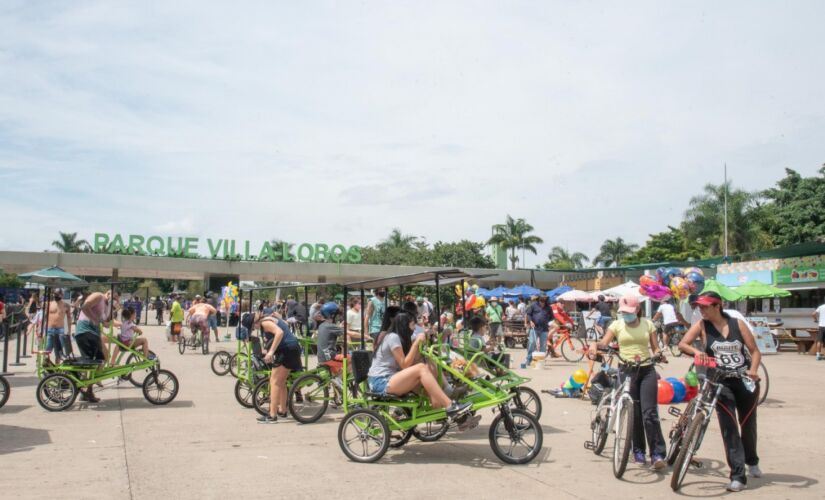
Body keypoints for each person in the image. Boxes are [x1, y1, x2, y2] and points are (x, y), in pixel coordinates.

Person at [678, 291, 762, 492]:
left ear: (718, 306)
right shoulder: (701, 326)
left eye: (706, 306)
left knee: (747, 424)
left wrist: (753, 370)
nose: (702, 310)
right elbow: (682, 344)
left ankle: (752, 460)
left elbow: (755, 351)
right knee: (729, 428)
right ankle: (738, 476)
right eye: (700, 307)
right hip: (718, 383)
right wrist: (698, 352)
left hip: (743, 380)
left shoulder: (736, 324)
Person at [588, 294, 668, 470]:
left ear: (637, 310)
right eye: (623, 312)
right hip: (626, 370)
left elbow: (655, 347)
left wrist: (658, 354)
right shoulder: (616, 325)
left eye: (629, 312)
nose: (626, 315)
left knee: (649, 413)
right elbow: (604, 342)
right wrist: (594, 346)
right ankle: (637, 450)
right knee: (634, 411)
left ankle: (657, 454)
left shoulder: (648, 324)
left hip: (647, 370)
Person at [367, 312, 472, 419]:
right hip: (380, 381)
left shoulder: (398, 338)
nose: (414, 328)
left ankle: (445, 413)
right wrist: (416, 343)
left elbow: (413, 360)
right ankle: (450, 406)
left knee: (426, 363)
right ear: (404, 326)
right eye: (412, 325)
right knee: (421, 368)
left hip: (389, 378)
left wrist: (424, 342)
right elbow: (404, 365)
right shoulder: (392, 337)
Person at [257, 311, 303, 423]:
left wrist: (271, 352)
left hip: (287, 350)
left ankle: (272, 415)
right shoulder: (271, 319)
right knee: (281, 382)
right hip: (292, 348)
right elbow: (285, 327)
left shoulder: (265, 323)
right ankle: (282, 410)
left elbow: (280, 332)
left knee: (274, 382)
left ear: (255, 322)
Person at [75, 290, 119, 402]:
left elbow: (106, 324)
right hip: (85, 331)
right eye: (113, 295)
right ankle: (86, 388)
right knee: (100, 359)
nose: (114, 298)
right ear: (108, 293)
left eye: (116, 298)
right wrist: (94, 319)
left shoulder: (106, 306)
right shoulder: (98, 296)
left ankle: (88, 390)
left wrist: (114, 310)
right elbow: (85, 306)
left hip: (92, 333)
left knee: (98, 361)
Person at [521, 294, 555, 368]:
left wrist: (547, 322)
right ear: (539, 299)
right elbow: (528, 314)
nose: (543, 302)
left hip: (544, 329)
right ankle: (529, 359)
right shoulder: (533, 305)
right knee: (532, 343)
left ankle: (541, 360)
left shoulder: (548, 307)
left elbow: (552, 317)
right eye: (541, 300)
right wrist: (530, 321)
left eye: (544, 300)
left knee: (543, 345)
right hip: (534, 328)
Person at [44, 289, 72, 363]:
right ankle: (47, 367)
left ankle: (57, 369)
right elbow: (43, 317)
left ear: (62, 295)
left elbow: (69, 318)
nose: (56, 295)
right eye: (55, 294)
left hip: (60, 330)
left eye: (58, 294)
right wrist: (40, 329)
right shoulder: (48, 304)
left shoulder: (66, 305)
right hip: (50, 329)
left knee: (59, 351)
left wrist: (69, 330)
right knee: (47, 350)